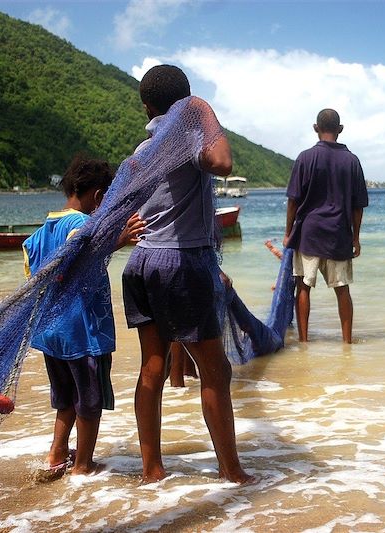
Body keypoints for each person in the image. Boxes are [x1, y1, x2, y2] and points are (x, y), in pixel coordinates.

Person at [121, 64, 254, 484]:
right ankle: (232, 473)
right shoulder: (187, 139)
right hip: (180, 263)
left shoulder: (141, 153)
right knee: (216, 371)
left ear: (146, 105)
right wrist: (202, 110)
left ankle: (151, 470)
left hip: (141, 263)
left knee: (152, 369)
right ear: (184, 104)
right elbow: (223, 162)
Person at [23, 155, 144, 479]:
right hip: (83, 332)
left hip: (52, 332)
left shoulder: (41, 231)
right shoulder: (80, 225)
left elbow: (38, 273)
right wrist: (119, 240)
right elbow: (75, 262)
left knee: (65, 399)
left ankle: (57, 453)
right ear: (100, 196)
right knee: (89, 402)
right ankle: (83, 465)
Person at [284, 109, 368, 344]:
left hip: (308, 233)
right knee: (342, 290)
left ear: (315, 128)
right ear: (340, 129)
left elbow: (293, 200)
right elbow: (358, 206)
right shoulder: (352, 161)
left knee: (303, 287)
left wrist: (288, 232)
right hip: (338, 234)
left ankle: (303, 342)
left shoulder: (305, 157)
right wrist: (356, 238)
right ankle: (347, 343)